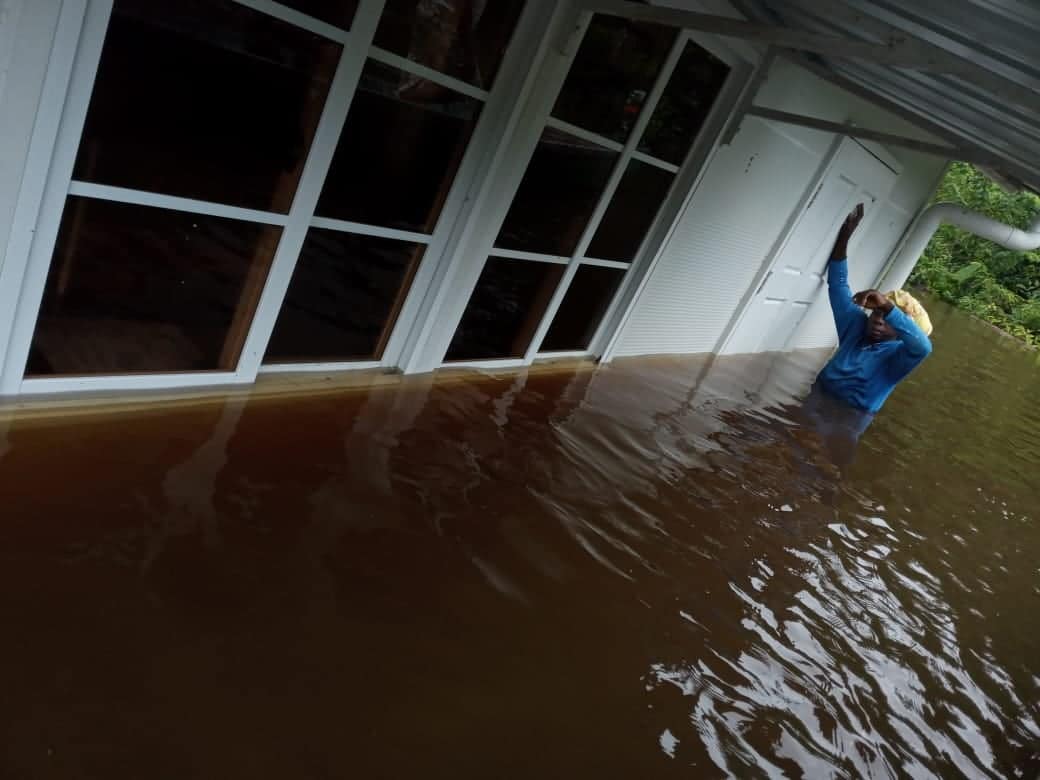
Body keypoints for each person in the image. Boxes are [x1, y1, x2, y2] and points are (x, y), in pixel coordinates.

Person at [813, 203, 933, 417]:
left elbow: (923, 347)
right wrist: (845, 236)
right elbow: (838, 284)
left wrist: (887, 307)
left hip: (851, 418)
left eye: (888, 318)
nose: (879, 321)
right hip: (817, 395)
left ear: (901, 331)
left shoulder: (898, 357)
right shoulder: (855, 327)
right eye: (877, 313)